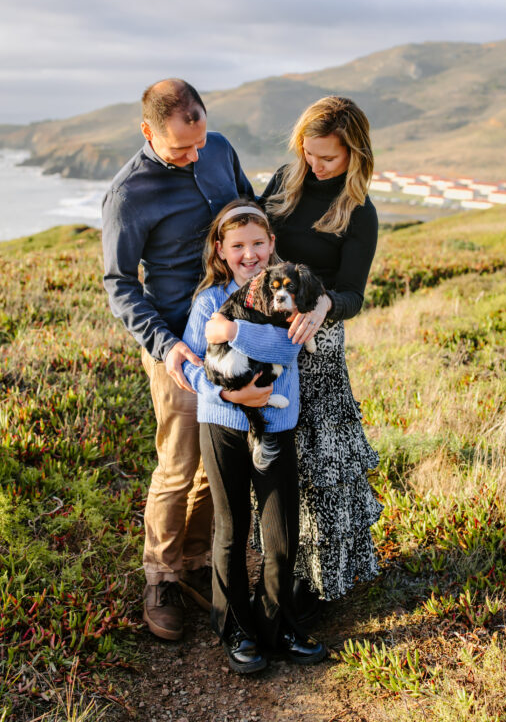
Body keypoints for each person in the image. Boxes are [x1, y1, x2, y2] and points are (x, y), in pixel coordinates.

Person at [101, 79, 254, 642]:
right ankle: (161, 578)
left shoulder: (218, 148)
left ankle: (195, 563)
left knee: (219, 454)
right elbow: (120, 284)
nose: (195, 156)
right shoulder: (127, 195)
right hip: (178, 346)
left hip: (235, 330)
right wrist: (167, 346)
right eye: (180, 149)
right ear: (147, 131)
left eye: (200, 142)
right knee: (178, 461)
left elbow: (248, 210)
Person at [181, 199, 326, 674]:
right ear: (220, 250)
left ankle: (277, 624)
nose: (250, 254)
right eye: (238, 245)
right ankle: (237, 629)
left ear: (272, 246)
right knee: (231, 529)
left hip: (278, 426)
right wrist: (233, 397)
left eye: (258, 244)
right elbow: (193, 365)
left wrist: (233, 330)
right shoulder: (207, 302)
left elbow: (287, 346)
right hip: (221, 422)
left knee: (280, 531)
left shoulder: (291, 296)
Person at [260, 95, 383, 617]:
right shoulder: (285, 182)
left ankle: (320, 581)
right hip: (266, 338)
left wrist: (327, 302)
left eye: (327, 158)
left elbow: (354, 292)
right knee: (275, 457)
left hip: (319, 345)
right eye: (308, 153)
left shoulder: (359, 212)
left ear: (354, 153)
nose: (315, 166)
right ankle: (278, 570)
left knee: (322, 464)